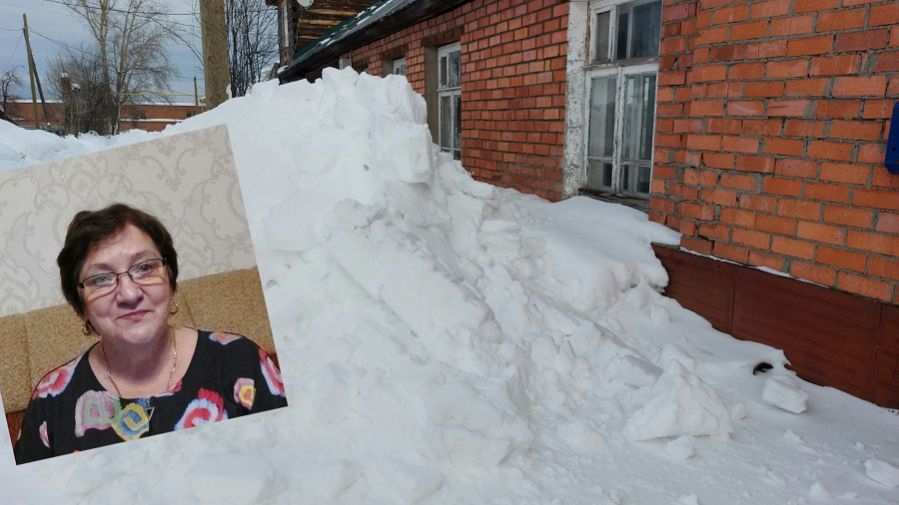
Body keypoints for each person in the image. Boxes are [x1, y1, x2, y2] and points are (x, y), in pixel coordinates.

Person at [14, 203, 287, 464]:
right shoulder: (52, 400)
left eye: (145, 267)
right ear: (80, 306)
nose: (129, 294)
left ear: (170, 279)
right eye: (101, 279)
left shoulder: (241, 361)